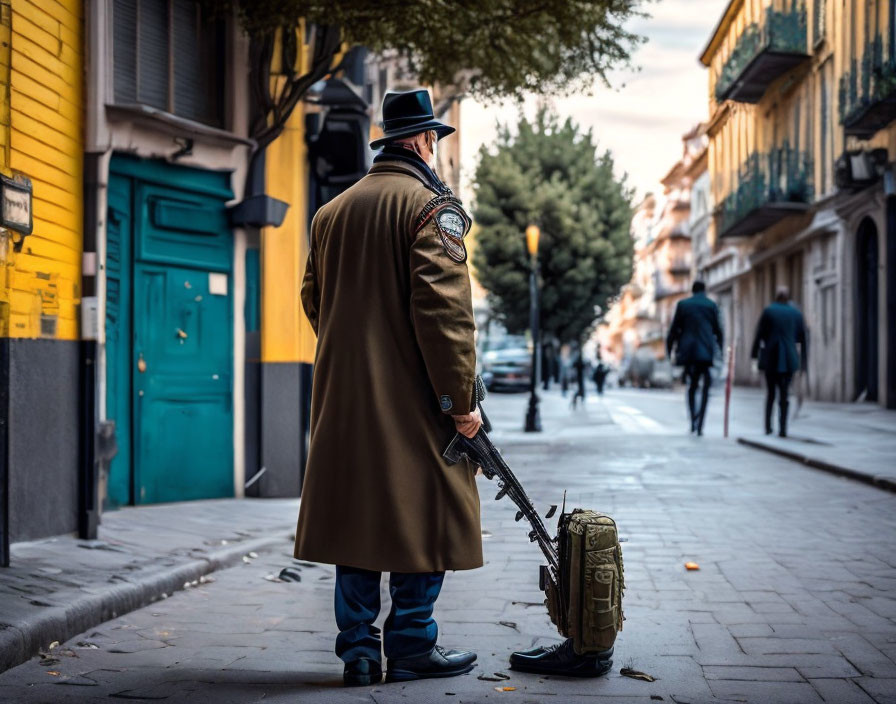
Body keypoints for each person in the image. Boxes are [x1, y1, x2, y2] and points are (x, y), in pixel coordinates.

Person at [294, 89, 483, 687]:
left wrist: (357, 351)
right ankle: (409, 645)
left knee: (356, 515)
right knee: (427, 512)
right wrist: (461, 405)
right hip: (415, 399)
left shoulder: (332, 211)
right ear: (426, 140)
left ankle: (356, 652)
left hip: (344, 399)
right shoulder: (433, 208)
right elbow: (445, 317)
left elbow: (313, 299)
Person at [666, 281, 724, 436]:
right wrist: (721, 350)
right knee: (706, 387)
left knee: (691, 387)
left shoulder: (683, 305)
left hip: (688, 352)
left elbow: (673, 330)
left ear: (692, 291)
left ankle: (693, 420)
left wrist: (669, 350)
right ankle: (701, 424)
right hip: (705, 352)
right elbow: (718, 331)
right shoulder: (711, 305)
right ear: (704, 290)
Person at [751, 286, 808, 437]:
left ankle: (768, 427)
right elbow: (803, 339)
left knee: (770, 394)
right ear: (788, 297)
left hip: (771, 357)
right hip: (789, 358)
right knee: (784, 394)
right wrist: (804, 363)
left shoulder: (769, 311)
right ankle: (783, 429)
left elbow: (759, 335)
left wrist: (754, 356)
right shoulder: (796, 313)